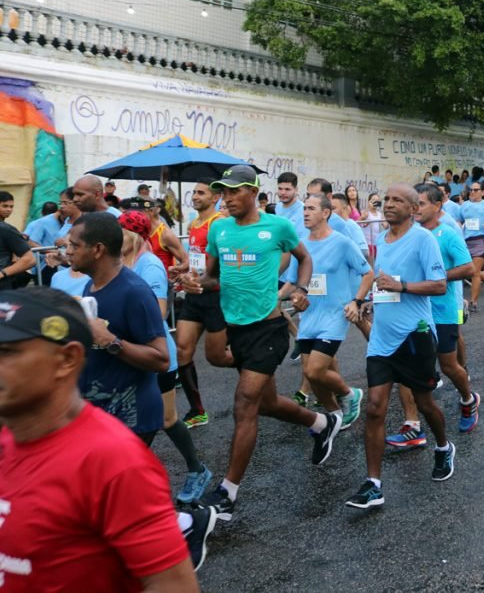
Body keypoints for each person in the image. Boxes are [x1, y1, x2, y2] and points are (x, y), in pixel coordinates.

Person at [0, 286, 205, 589]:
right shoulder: (7, 438)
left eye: (7, 353)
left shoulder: (113, 462)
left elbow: (173, 585)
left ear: (66, 359)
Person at [183, 165, 343, 521]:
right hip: (236, 327)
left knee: (245, 404)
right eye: (222, 192)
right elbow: (212, 278)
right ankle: (321, 423)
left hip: (268, 329)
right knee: (267, 402)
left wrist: (300, 289)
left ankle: (227, 493)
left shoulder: (278, 227)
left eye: (233, 192)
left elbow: (304, 258)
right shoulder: (220, 229)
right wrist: (194, 282)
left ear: (253, 192)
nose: (226, 199)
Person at [344, 184, 450, 510]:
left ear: (413, 208)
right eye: (386, 199)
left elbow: (440, 284)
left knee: (425, 403)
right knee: (375, 407)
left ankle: (444, 447)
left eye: (397, 201)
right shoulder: (382, 240)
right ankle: (373, 484)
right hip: (382, 339)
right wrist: (368, 302)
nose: (388, 204)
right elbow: (383, 280)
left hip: (414, 336)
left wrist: (400, 285)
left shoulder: (424, 240)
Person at [116, 211, 212, 506]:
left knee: (164, 419)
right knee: (140, 420)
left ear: (134, 235)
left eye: (120, 231)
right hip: (134, 354)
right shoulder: (121, 263)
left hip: (158, 356)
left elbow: (157, 314)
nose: (115, 237)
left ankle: (196, 471)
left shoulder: (150, 266)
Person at [385, 184, 481, 449]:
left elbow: (468, 268)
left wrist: (435, 278)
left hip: (442, 309)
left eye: (423, 203)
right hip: (413, 311)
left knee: (449, 366)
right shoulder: (405, 235)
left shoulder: (447, 234)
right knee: (406, 368)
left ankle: (468, 399)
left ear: (437, 206)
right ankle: (412, 425)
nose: (418, 208)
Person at [68, 213, 169, 444]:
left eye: (75, 245)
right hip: (100, 414)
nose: (69, 251)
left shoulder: (135, 292)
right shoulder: (89, 286)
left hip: (131, 419)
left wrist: (110, 341)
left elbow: (161, 359)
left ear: (98, 249)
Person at [287, 194, 373, 429]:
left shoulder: (342, 243)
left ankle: (350, 394)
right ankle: (334, 414)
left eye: (311, 208)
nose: (305, 212)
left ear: (326, 213)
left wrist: (356, 301)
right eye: (304, 208)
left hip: (335, 314)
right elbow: (295, 282)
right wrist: (293, 296)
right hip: (310, 314)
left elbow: (368, 273)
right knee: (310, 373)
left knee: (315, 370)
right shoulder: (300, 243)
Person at [172, 178, 232, 429]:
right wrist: (183, 268)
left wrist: (203, 277)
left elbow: (222, 260)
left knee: (217, 356)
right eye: (194, 192)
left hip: (214, 295)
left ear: (215, 197)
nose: (195, 196)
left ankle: (256, 369)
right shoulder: (193, 222)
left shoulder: (219, 223)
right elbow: (198, 256)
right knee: (182, 350)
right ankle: (197, 410)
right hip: (193, 295)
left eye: (201, 193)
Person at [460, 180, 484, 311]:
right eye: (471, 190)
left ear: (482, 192)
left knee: (475, 272)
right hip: (466, 241)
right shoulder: (464, 206)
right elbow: (459, 222)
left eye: (476, 190)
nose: (472, 192)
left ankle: (473, 303)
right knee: (468, 270)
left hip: (482, 239)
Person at [0, 191, 34, 290]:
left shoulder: (6, 229)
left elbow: (30, 259)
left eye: (11, 207)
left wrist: (3, 273)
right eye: (5, 206)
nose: (9, 210)